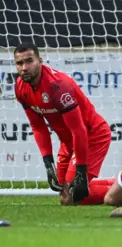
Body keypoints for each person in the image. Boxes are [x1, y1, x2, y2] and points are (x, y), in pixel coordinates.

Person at [13, 42, 114, 205]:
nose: (24, 67)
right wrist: (48, 162)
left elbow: (79, 130)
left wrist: (81, 170)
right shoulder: (20, 88)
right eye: (19, 63)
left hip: (91, 136)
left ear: (40, 60)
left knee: (69, 197)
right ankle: (121, 184)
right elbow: (38, 127)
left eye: (29, 61)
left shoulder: (57, 87)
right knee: (64, 189)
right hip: (68, 142)